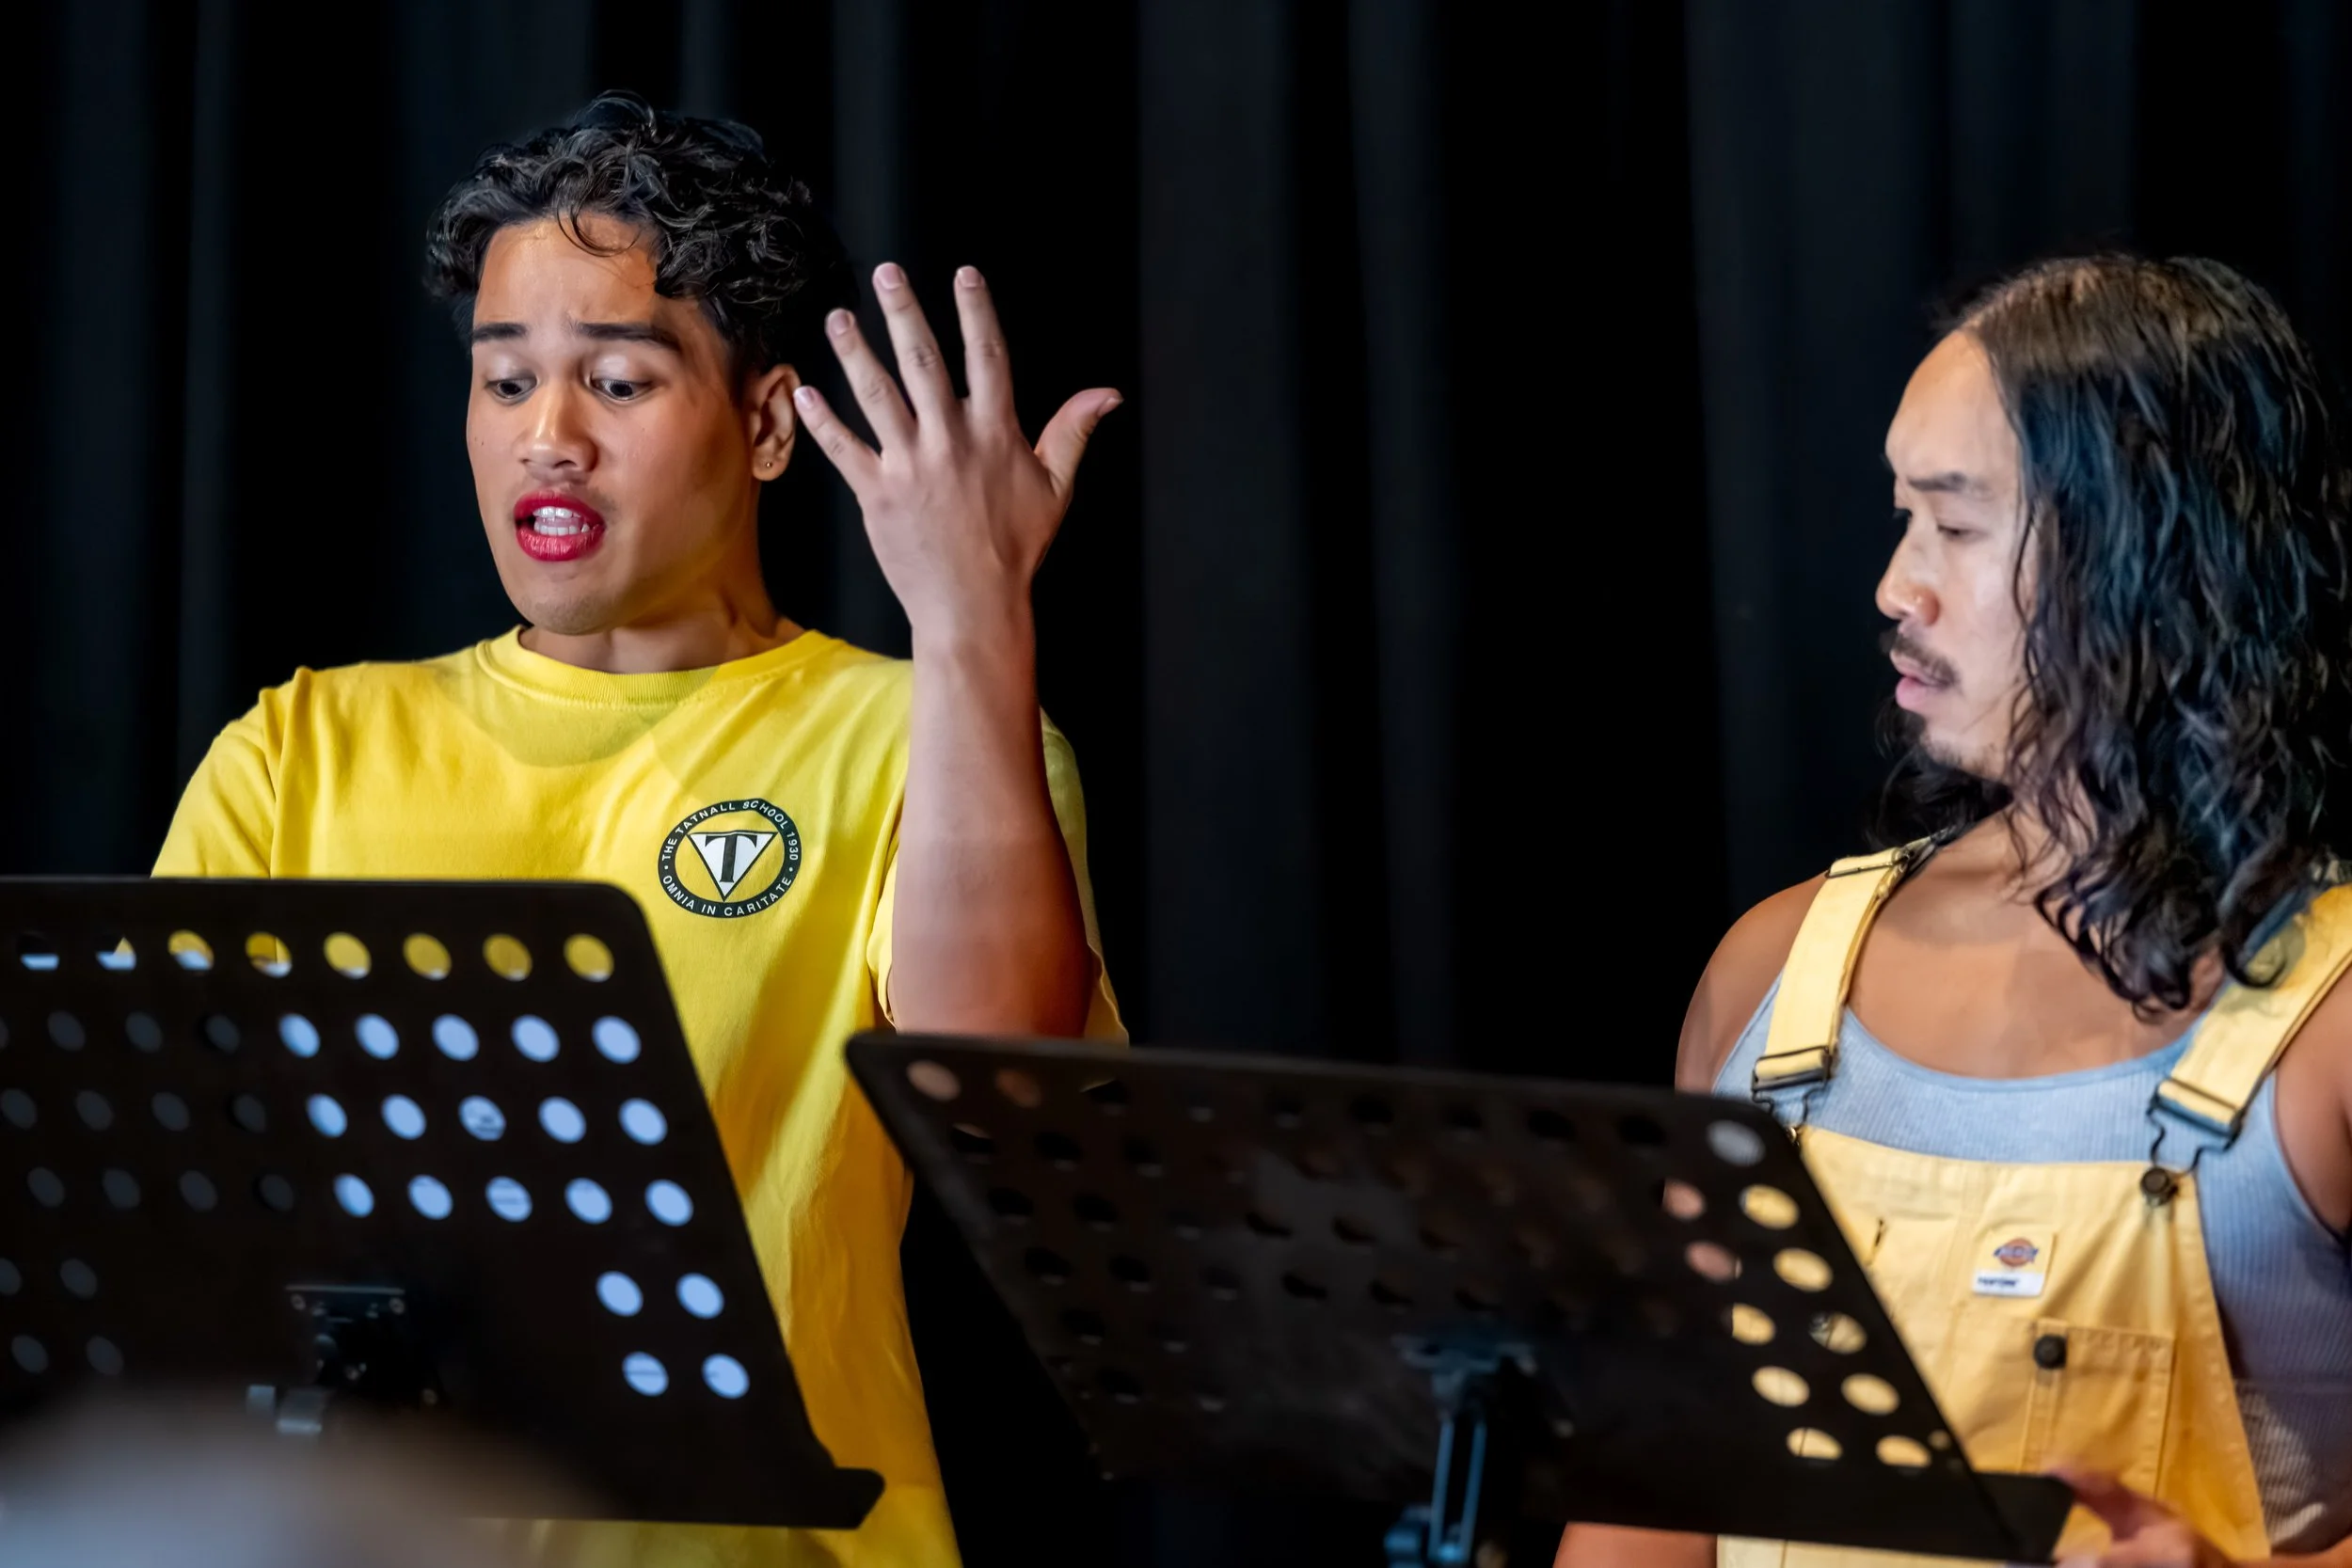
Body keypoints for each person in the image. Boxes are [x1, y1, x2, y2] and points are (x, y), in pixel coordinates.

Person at [154, 92, 1125, 1567]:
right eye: (502, 381)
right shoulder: (299, 751)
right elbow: (163, 1210)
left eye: (614, 380)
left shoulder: (919, 734)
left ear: (766, 421)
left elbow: (1010, 1117)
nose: (546, 436)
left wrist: (972, 619)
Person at [1559, 257, 2352, 1568]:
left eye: (1958, 524)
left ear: (2149, 543)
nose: (1894, 588)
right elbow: (1654, 1488)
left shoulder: (2325, 1013)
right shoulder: (1776, 972)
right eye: (1901, 518)